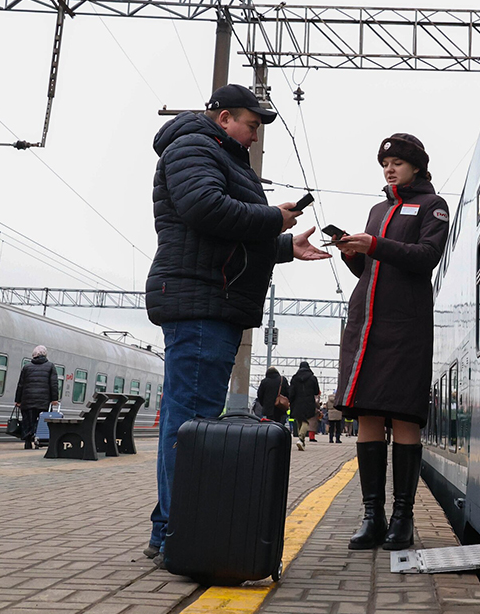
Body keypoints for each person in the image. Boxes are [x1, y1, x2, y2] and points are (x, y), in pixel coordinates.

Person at [142, 83, 331, 562]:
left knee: (193, 420)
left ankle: (172, 528)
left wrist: (286, 245)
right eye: (251, 124)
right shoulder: (194, 147)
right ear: (224, 116)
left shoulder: (218, 152)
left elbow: (228, 234)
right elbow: (206, 210)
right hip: (201, 301)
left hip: (210, 299)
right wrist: (273, 219)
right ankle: (175, 534)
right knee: (192, 423)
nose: (254, 135)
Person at [333, 133, 450, 551]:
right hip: (366, 328)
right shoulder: (377, 208)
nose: (390, 168)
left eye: (398, 162)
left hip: (405, 330)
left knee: (402, 417)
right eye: (386, 162)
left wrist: (376, 245)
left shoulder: (433, 206)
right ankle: (372, 516)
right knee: (366, 417)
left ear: (417, 166)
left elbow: (424, 257)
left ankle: (402, 518)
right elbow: (372, 271)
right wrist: (354, 255)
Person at [14, 346, 59, 450]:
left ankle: (27, 441)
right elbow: (54, 384)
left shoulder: (27, 367)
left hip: (27, 400)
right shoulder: (50, 366)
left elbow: (20, 384)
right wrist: (54, 399)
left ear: (34, 355)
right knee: (41, 421)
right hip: (43, 401)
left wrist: (18, 400)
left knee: (28, 421)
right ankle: (38, 439)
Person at [289, 361, 320, 449]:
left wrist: (291, 401)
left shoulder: (294, 378)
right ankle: (301, 438)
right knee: (306, 421)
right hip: (308, 402)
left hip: (297, 402)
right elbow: (316, 391)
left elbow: (291, 392)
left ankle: (301, 440)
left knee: (299, 420)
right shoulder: (312, 378)